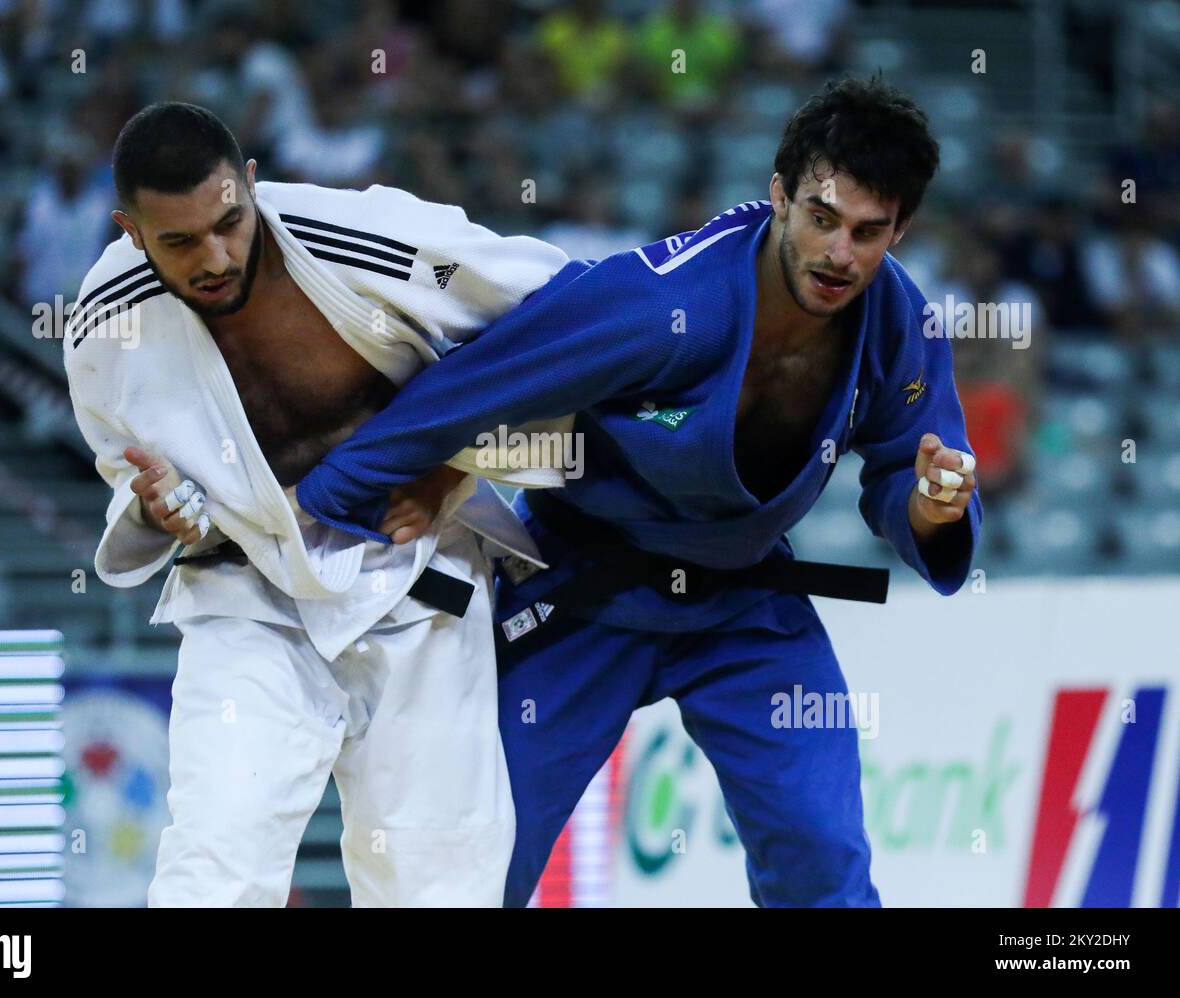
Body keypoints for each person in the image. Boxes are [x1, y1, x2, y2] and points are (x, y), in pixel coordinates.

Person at [294, 77, 983, 907]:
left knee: (823, 857)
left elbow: (909, 468)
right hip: (581, 592)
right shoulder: (665, 300)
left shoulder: (900, 320)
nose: (840, 254)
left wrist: (931, 507)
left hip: (744, 602)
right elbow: (481, 382)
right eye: (821, 218)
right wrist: (326, 495)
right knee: (478, 863)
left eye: (869, 233)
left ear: (900, 229)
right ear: (778, 195)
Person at [63, 102, 574, 906]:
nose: (217, 255)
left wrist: (461, 465)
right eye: (180, 242)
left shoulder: (367, 237)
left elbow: (569, 315)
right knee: (212, 868)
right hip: (245, 592)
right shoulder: (103, 323)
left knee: (438, 885)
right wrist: (157, 508)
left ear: (252, 185)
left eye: (230, 221)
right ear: (129, 230)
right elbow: (130, 472)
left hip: (416, 577)